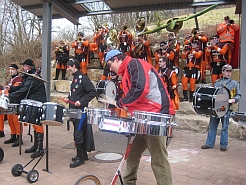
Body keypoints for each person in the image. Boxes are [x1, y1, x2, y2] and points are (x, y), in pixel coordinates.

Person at [105, 50, 175, 185]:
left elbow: (141, 89)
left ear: (116, 59)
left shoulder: (134, 64)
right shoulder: (127, 71)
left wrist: (122, 103)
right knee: (131, 153)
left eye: (109, 64)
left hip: (155, 116)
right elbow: (138, 96)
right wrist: (127, 106)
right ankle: (128, 182)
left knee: (158, 159)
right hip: (143, 118)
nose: (110, 68)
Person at [7, 59, 47, 158]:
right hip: (33, 101)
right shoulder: (28, 77)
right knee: (33, 123)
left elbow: (24, 91)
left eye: (24, 66)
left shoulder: (33, 78)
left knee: (37, 124)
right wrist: (11, 89)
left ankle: (40, 148)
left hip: (37, 102)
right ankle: (36, 145)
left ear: (28, 67)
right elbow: (21, 87)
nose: (23, 68)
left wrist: (10, 96)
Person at [64, 58, 97, 168]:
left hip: (81, 111)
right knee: (79, 132)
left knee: (78, 134)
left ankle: (80, 158)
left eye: (70, 66)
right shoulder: (74, 79)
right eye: (68, 66)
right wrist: (69, 99)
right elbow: (75, 93)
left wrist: (81, 101)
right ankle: (82, 154)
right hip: (74, 111)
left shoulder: (83, 78)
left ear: (75, 66)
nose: (68, 68)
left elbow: (92, 91)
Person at [201, 64, 241, 151]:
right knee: (212, 125)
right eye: (227, 71)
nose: (229, 73)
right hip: (216, 108)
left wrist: (233, 100)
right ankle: (209, 143)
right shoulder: (217, 82)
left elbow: (238, 95)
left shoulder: (234, 84)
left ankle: (223, 144)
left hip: (226, 108)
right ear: (222, 72)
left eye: (230, 71)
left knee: (225, 126)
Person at [4, 64, 24, 147]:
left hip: (16, 101)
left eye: (12, 69)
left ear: (16, 70)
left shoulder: (19, 79)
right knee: (10, 119)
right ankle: (13, 135)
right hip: (10, 101)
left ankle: (19, 138)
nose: (11, 71)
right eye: (9, 69)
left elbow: (14, 89)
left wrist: (7, 89)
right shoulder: (10, 79)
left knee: (16, 120)